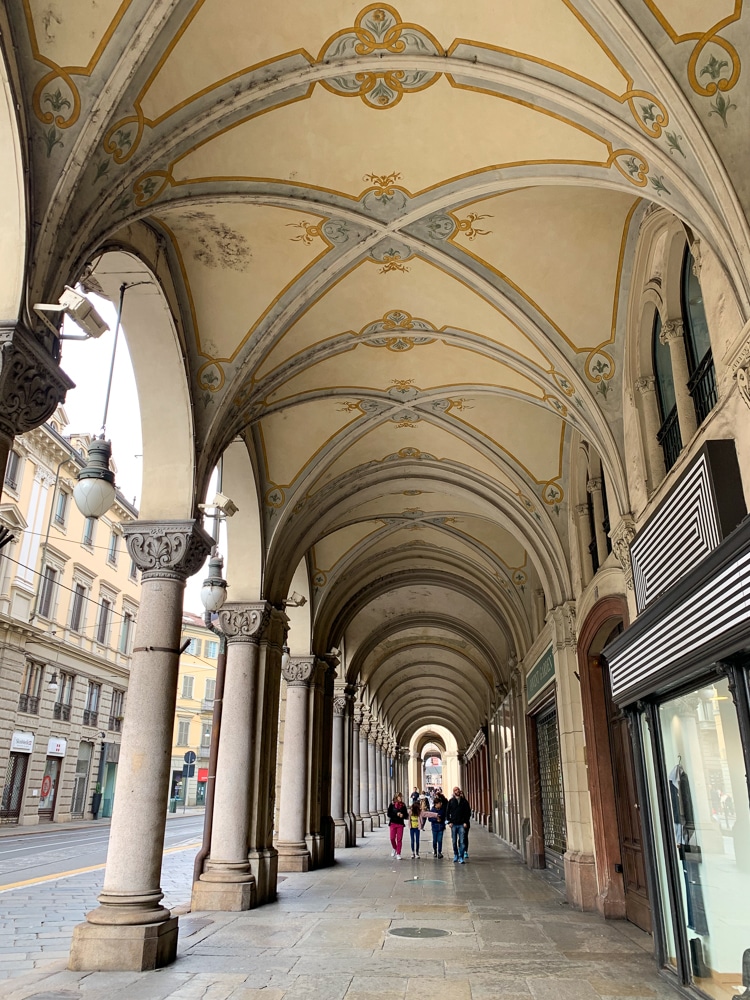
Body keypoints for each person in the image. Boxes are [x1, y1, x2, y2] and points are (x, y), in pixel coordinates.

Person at [446, 786, 471, 863]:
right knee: (454, 841)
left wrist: (466, 822)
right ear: (453, 792)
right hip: (453, 824)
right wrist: (449, 822)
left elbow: (468, 813)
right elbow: (447, 813)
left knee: (462, 841)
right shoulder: (451, 801)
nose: (457, 791)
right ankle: (456, 854)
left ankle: (461, 856)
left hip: (461, 824)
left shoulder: (464, 802)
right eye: (455, 790)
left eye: (458, 790)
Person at [387, 792, 408, 859]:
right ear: (396, 797)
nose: (401, 798)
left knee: (399, 839)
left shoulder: (403, 805)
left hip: (400, 824)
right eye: (399, 797)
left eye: (401, 797)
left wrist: (403, 815)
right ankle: (394, 848)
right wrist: (396, 814)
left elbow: (406, 815)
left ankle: (398, 853)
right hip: (393, 823)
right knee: (392, 838)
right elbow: (389, 814)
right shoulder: (392, 805)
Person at [429, 791, 447, 858]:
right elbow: (429, 819)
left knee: (440, 840)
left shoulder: (442, 810)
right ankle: (435, 851)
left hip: (441, 827)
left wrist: (441, 820)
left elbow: (444, 817)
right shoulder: (432, 810)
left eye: (440, 803)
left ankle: (439, 852)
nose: (440, 804)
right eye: (439, 803)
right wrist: (436, 819)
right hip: (434, 827)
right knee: (434, 841)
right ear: (436, 804)